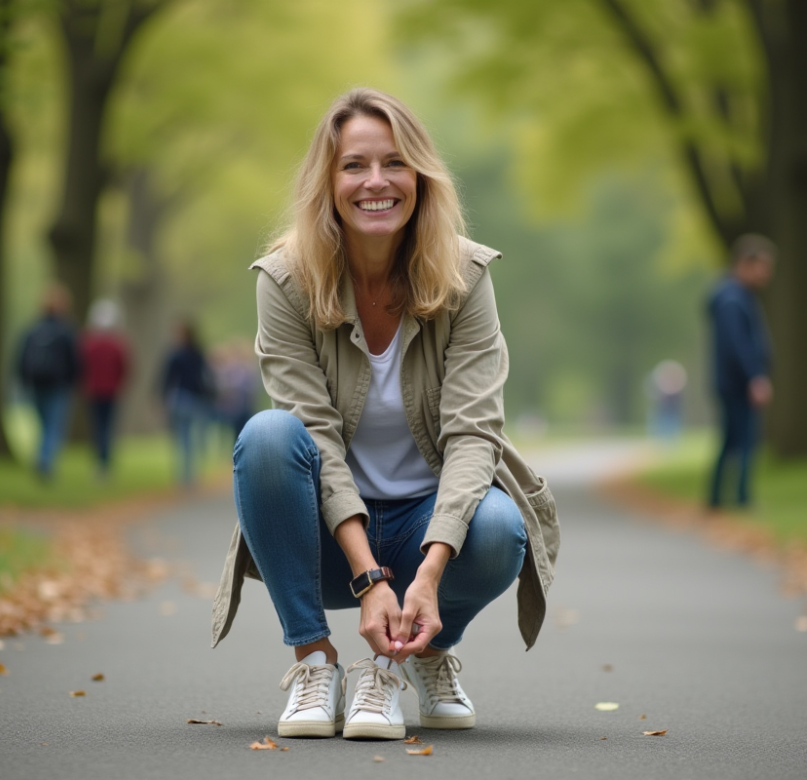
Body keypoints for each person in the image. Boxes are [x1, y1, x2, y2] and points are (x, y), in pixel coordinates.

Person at [209, 88, 560, 742]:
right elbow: (314, 437)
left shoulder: (466, 276)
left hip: (428, 524)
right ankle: (315, 661)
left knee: (499, 528)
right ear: (328, 182)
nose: (376, 181)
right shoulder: (284, 280)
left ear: (420, 178)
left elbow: (473, 434)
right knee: (267, 436)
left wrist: (428, 574)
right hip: (327, 538)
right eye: (354, 165)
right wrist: (369, 577)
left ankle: (415, 655)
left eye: (395, 163)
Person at [707, 234, 775, 511]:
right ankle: (742, 498)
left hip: (733, 383)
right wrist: (754, 377)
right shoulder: (732, 300)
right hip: (737, 384)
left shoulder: (734, 297)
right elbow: (736, 345)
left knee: (730, 441)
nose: (766, 275)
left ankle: (715, 499)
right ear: (745, 263)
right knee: (745, 441)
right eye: (763, 267)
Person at [16, 283, 81, 481]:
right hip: (58, 385)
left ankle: (41, 457)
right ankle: (45, 461)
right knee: (53, 426)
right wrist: (74, 381)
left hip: (36, 383)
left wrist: (23, 380)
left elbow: (21, 357)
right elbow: (74, 360)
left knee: (44, 425)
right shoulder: (65, 331)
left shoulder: (33, 329)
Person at [80, 299, 131, 479]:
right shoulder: (117, 344)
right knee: (107, 426)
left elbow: (82, 366)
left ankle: (101, 460)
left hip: (94, 390)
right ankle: (105, 460)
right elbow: (124, 367)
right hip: (111, 391)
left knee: (98, 426)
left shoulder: (89, 343)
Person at [160, 319, 212, 486]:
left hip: (181, 398)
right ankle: (189, 474)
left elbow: (168, 378)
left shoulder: (177, 354)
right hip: (194, 399)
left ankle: (183, 474)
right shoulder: (198, 354)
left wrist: (162, 396)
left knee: (182, 437)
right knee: (190, 436)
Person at [208, 339, 258, 449]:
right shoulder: (229, 370)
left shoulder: (247, 369)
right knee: (234, 431)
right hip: (232, 407)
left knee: (243, 430)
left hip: (244, 406)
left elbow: (251, 387)